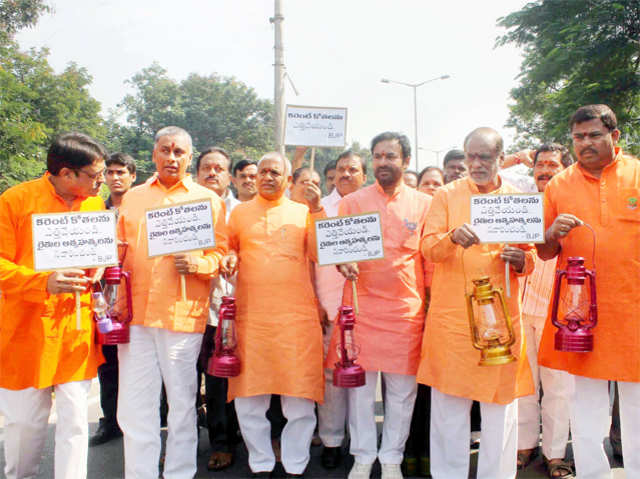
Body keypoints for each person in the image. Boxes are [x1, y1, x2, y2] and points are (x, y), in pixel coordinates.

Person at [417, 127, 535, 479]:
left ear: (501, 158)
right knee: (449, 410)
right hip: (453, 323)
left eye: (485, 157)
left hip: (501, 322)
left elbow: (529, 260)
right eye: (471, 156)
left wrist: (519, 259)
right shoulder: (447, 196)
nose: (477, 163)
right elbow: (428, 249)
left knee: (500, 410)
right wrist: (452, 237)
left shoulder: (516, 197)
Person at [116, 126, 228, 479]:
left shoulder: (208, 201)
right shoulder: (133, 198)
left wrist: (198, 264)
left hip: (181, 314)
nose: (171, 157)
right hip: (135, 316)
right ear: (153, 154)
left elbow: (221, 255)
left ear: (189, 158)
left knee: (182, 403)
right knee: (136, 406)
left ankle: (179, 472)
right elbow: (118, 252)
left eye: (179, 152)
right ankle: (140, 473)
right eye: (165, 150)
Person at [536, 104, 640, 479]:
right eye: (578, 137)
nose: (585, 143)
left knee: (637, 408)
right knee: (586, 406)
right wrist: (552, 235)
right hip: (581, 317)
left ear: (614, 137)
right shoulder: (560, 185)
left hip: (634, 312)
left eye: (594, 135)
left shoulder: (638, 174)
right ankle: (593, 474)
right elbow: (544, 251)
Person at [0, 132, 108, 479]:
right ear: (66, 174)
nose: (102, 182)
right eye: (95, 175)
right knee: (24, 425)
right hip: (25, 330)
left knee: (76, 420)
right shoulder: (15, 201)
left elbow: (95, 261)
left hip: (74, 328)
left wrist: (103, 260)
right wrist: (42, 281)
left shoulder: (94, 205)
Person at [327, 132, 432, 479]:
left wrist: (430, 303)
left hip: (405, 310)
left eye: (391, 156)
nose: (383, 163)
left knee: (402, 392)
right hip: (361, 307)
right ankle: (362, 455)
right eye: (378, 156)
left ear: (405, 161)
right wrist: (345, 262)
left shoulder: (423, 204)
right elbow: (339, 254)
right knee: (360, 389)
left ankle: (391, 458)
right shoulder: (353, 202)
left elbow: (428, 263)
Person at [221, 152, 325, 478]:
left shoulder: (303, 212)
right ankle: (261, 462)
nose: (267, 177)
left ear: (288, 179)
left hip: (296, 318)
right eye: (263, 171)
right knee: (250, 396)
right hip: (252, 318)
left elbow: (321, 252)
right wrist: (229, 256)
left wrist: (319, 209)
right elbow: (226, 246)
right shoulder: (238, 213)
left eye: (275, 172)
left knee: (299, 396)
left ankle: (295, 462)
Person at [516, 143, 574, 479]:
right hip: (521, 308)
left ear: (564, 168)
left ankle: (555, 454)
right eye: (540, 164)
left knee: (558, 387)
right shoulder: (520, 203)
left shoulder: (570, 204)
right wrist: (515, 158)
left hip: (560, 310)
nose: (545, 170)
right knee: (525, 384)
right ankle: (525, 445)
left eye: (553, 164)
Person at [315, 150, 368, 469]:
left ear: (364, 174)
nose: (347, 174)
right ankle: (332, 440)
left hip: (370, 308)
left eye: (353, 169)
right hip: (330, 305)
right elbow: (309, 260)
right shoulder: (319, 208)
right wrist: (315, 303)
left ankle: (362, 444)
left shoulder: (377, 206)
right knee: (332, 378)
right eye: (341, 169)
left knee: (365, 380)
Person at [195, 147, 241, 471]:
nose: (212, 173)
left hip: (236, 306)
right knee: (198, 381)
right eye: (206, 168)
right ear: (197, 173)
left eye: (219, 168)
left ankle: (231, 439)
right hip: (190, 307)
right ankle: (210, 441)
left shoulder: (243, 211)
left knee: (227, 377)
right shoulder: (183, 209)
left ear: (229, 175)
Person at [89, 152, 137, 447]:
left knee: (140, 360)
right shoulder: (95, 209)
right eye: (111, 172)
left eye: (122, 172)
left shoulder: (143, 207)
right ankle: (110, 421)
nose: (115, 177)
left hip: (137, 292)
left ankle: (144, 419)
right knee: (108, 362)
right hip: (104, 292)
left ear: (133, 176)